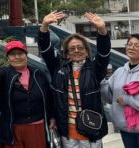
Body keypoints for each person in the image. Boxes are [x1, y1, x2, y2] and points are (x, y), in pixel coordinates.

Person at [39, 11, 111, 148]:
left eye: (80, 47)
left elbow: (104, 53)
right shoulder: (58, 68)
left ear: (86, 50)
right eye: (72, 48)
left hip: (91, 131)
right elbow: (45, 49)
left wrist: (102, 30)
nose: (76, 50)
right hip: (67, 132)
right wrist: (44, 27)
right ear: (66, 53)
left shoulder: (94, 69)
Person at [0, 40, 52, 148]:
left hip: (36, 127)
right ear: (8, 58)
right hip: (12, 128)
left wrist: (52, 117)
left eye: (20, 53)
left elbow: (49, 97)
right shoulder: (4, 73)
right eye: (12, 55)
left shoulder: (38, 74)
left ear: (26, 55)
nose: (17, 57)